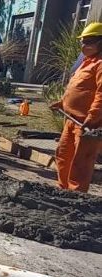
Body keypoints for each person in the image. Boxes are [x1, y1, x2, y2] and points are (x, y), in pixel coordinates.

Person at [51, 22, 102, 193]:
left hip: (87, 125)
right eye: (83, 41)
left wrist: (92, 117)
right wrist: (63, 103)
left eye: (88, 41)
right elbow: (78, 88)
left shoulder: (100, 64)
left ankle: (76, 197)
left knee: (80, 163)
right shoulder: (87, 62)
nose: (83, 45)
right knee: (63, 155)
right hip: (71, 121)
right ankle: (63, 191)